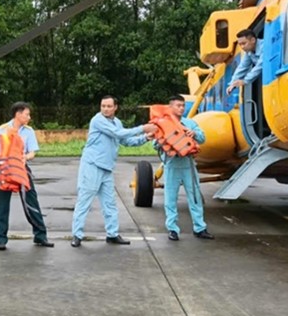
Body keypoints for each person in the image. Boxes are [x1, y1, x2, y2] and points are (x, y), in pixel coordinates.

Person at [71, 96, 156, 247]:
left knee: (109, 203)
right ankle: (77, 235)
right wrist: (143, 128)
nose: (105, 109)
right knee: (84, 200)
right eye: (103, 106)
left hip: (107, 168)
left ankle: (112, 234)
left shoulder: (117, 123)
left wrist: (146, 138)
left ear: (115, 107)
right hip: (92, 165)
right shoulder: (97, 120)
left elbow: (126, 141)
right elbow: (118, 134)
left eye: (109, 106)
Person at [0, 102, 53, 250]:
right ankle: (0, 238)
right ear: (18, 114)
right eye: (27, 114)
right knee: (3, 203)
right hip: (6, 169)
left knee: (31, 200)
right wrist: (5, 156)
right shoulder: (1, 130)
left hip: (22, 169)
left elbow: (33, 152)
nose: (29, 117)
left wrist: (25, 157)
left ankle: (40, 235)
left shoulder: (28, 131)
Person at [157, 96, 214, 241]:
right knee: (170, 198)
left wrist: (193, 133)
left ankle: (200, 228)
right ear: (170, 108)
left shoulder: (190, 123)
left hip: (188, 165)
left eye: (183, 105)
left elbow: (203, 138)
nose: (181, 108)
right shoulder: (163, 125)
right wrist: (165, 140)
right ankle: (172, 229)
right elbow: (155, 145)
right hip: (171, 165)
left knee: (195, 197)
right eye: (178, 105)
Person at [226, 29, 263, 94]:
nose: (242, 47)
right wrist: (232, 83)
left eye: (244, 43)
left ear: (253, 40)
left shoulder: (265, 46)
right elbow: (242, 67)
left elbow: (260, 66)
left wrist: (244, 81)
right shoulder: (249, 52)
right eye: (240, 44)